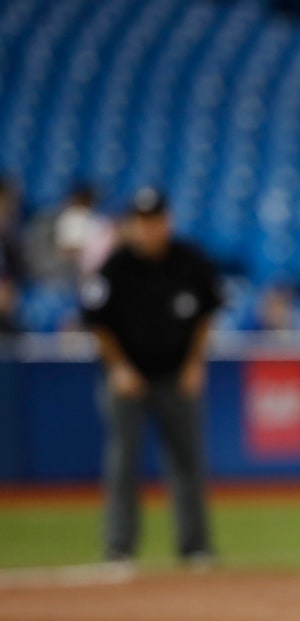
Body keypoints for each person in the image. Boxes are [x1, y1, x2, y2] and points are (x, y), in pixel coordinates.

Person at [80, 187, 222, 568]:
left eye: (156, 220)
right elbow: (96, 322)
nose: (149, 228)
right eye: (142, 221)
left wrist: (195, 363)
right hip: (130, 381)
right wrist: (119, 368)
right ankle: (119, 547)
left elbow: (209, 312)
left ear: (167, 221)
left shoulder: (190, 261)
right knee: (122, 462)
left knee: (188, 463)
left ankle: (195, 547)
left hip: (177, 377)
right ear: (132, 224)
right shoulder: (115, 266)